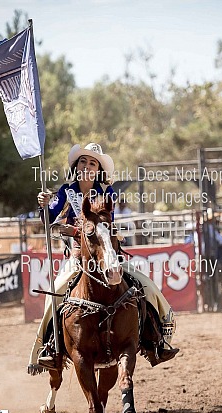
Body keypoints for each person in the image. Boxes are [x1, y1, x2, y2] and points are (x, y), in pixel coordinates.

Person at [28, 142, 179, 372]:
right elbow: (48, 220)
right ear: (76, 166)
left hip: (106, 254)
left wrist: (76, 230)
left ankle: (157, 340)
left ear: (98, 169)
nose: (87, 166)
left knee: (145, 285)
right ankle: (48, 349)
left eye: (92, 162)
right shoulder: (65, 191)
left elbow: (107, 225)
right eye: (83, 161)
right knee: (54, 294)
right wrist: (44, 206)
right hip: (78, 258)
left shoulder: (106, 192)